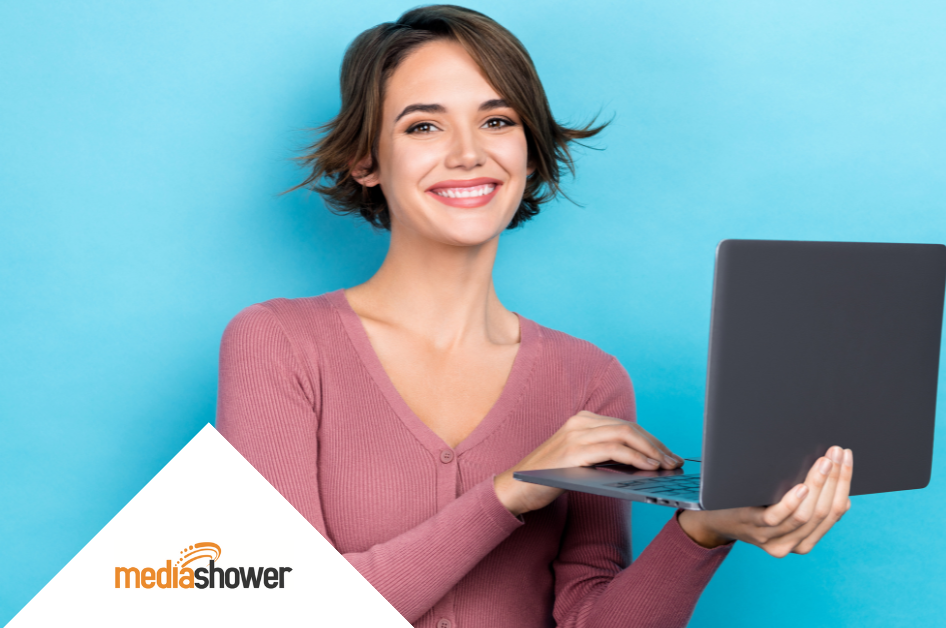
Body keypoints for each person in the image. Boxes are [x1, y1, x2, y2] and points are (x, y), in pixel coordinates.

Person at [216, 6, 853, 627]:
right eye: (423, 127)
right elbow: (290, 612)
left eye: (497, 121)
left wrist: (703, 530)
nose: (468, 154)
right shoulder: (279, 344)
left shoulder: (589, 380)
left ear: (528, 150)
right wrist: (513, 491)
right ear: (366, 161)